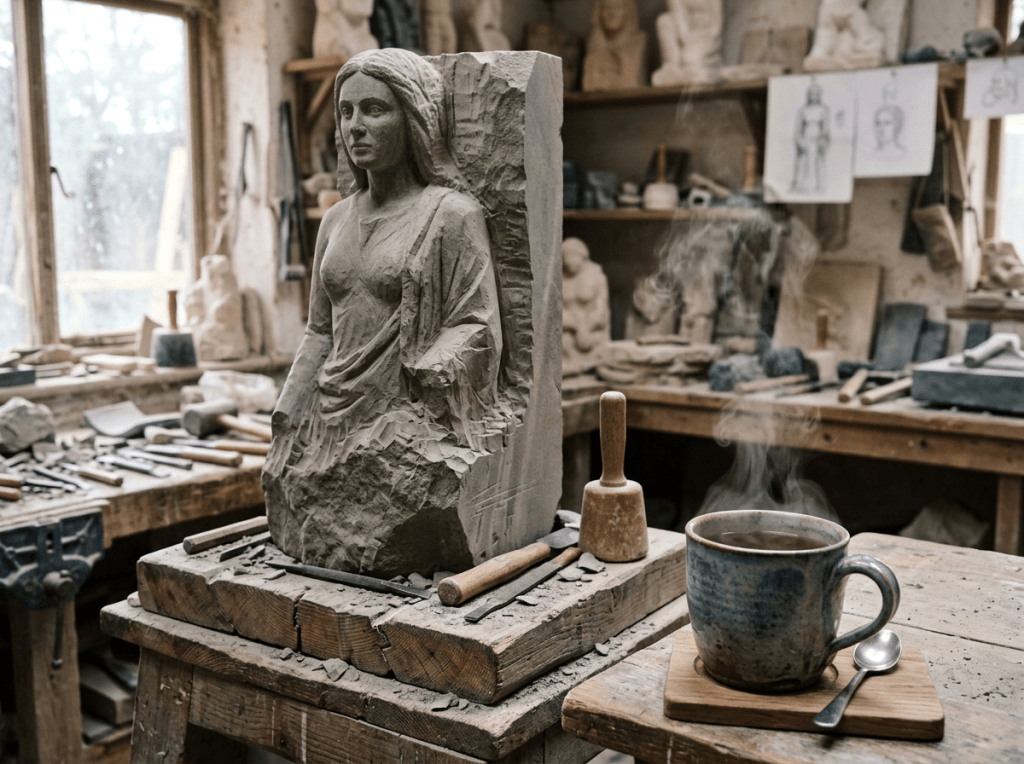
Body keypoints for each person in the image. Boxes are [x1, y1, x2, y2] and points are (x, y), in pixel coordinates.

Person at [265, 48, 504, 506]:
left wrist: (426, 378)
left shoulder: (450, 216)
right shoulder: (335, 220)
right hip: (327, 415)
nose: (355, 126)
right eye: (346, 111)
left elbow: (478, 324)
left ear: (414, 119)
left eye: (374, 109)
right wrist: (286, 413)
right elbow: (319, 331)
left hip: (401, 420)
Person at [582, 0, 647, 91]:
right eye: (606, 8)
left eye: (617, 7)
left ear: (627, 11)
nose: (612, 13)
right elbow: (590, 84)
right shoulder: (594, 43)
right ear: (599, 13)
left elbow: (630, 83)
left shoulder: (638, 42)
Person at [791, 83, 830, 194]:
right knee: (803, 162)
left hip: (818, 140)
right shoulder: (803, 110)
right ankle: (800, 185)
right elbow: (798, 128)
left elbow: (826, 128)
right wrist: (800, 140)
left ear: (819, 95)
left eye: (816, 93)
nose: (813, 96)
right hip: (805, 140)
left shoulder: (824, 110)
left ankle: (818, 186)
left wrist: (822, 140)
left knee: (817, 162)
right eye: (811, 93)